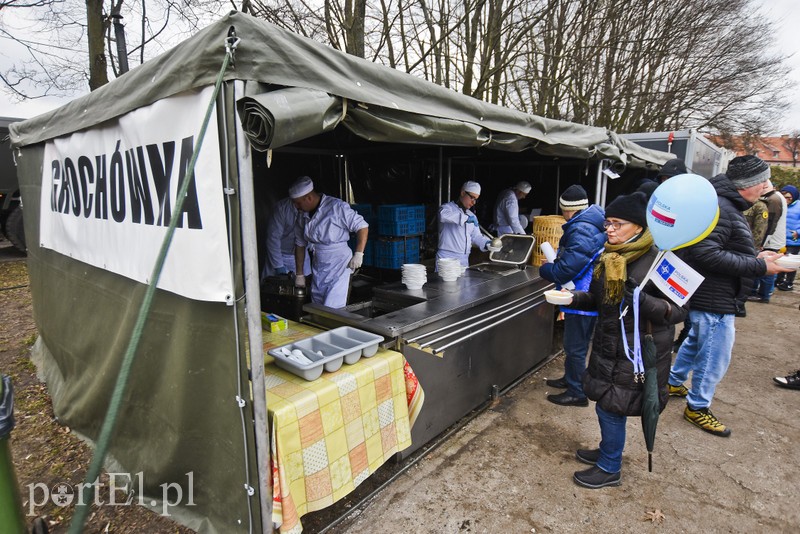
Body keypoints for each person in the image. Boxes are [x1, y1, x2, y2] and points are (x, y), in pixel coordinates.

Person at [564, 191, 687, 488]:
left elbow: (679, 312)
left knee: (611, 407)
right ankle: (607, 452)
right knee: (606, 403)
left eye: (618, 224)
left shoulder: (660, 261)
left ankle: (610, 467)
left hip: (636, 353)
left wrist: (641, 299)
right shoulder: (609, 258)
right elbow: (597, 299)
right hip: (609, 345)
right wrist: (571, 298)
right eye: (608, 223)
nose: (610, 229)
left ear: (640, 227)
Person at [668, 156, 793, 437]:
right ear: (747, 185)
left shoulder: (725, 205)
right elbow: (706, 254)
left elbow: (717, 248)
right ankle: (697, 408)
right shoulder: (724, 209)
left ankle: (673, 381)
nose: (766, 187)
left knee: (695, 341)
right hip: (715, 297)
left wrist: (756, 256)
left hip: (712, 296)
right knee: (714, 357)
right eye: (763, 182)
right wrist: (759, 265)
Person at [539, 184, 606, 407]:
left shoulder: (581, 229)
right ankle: (570, 379)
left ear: (569, 210)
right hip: (581, 292)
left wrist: (546, 269)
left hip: (581, 297)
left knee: (576, 347)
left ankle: (577, 392)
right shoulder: (590, 222)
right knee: (575, 344)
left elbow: (566, 269)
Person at [291, 176, 369, 309]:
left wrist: (359, 253)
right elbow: (300, 244)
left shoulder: (336, 207)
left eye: (298, 203)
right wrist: (299, 274)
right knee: (318, 304)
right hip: (319, 264)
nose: (296, 207)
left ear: (309, 198)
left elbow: (362, 226)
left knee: (333, 307)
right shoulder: (302, 215)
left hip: (339, 263)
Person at [437, 181, 500, 267]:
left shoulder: (471, 215)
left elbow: (476, 236)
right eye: (472, 198)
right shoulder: (447, 208)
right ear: (463, 193)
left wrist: (487, 244)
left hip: (464, 259)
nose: (473, 202)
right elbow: (442, 216)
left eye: (476, 199)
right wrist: (465, 218)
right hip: (447, 258)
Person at [748, 181, 787, 303]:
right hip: (773, 240)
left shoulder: (773, 199)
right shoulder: (776, 197)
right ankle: (761, 293)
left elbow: (770, 223)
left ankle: (764, 295)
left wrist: (762, 242)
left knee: (768, 268)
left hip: (771, 241)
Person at [261, 196, 311, 281]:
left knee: (305, 287)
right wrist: (278, 266)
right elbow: (273, 238)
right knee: (271, 286)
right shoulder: (281, 209)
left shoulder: (311, 209)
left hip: (302, 255)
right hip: (280, 255)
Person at [776, 185, 800, 291]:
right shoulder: (780, 204)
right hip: (781, 239)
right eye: (784, 197)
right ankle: (779, 280)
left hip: (794, 241)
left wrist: (798, 233)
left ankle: (789, 282)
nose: (786, 200)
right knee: (780, 260)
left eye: (789, 198)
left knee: (791, 262)